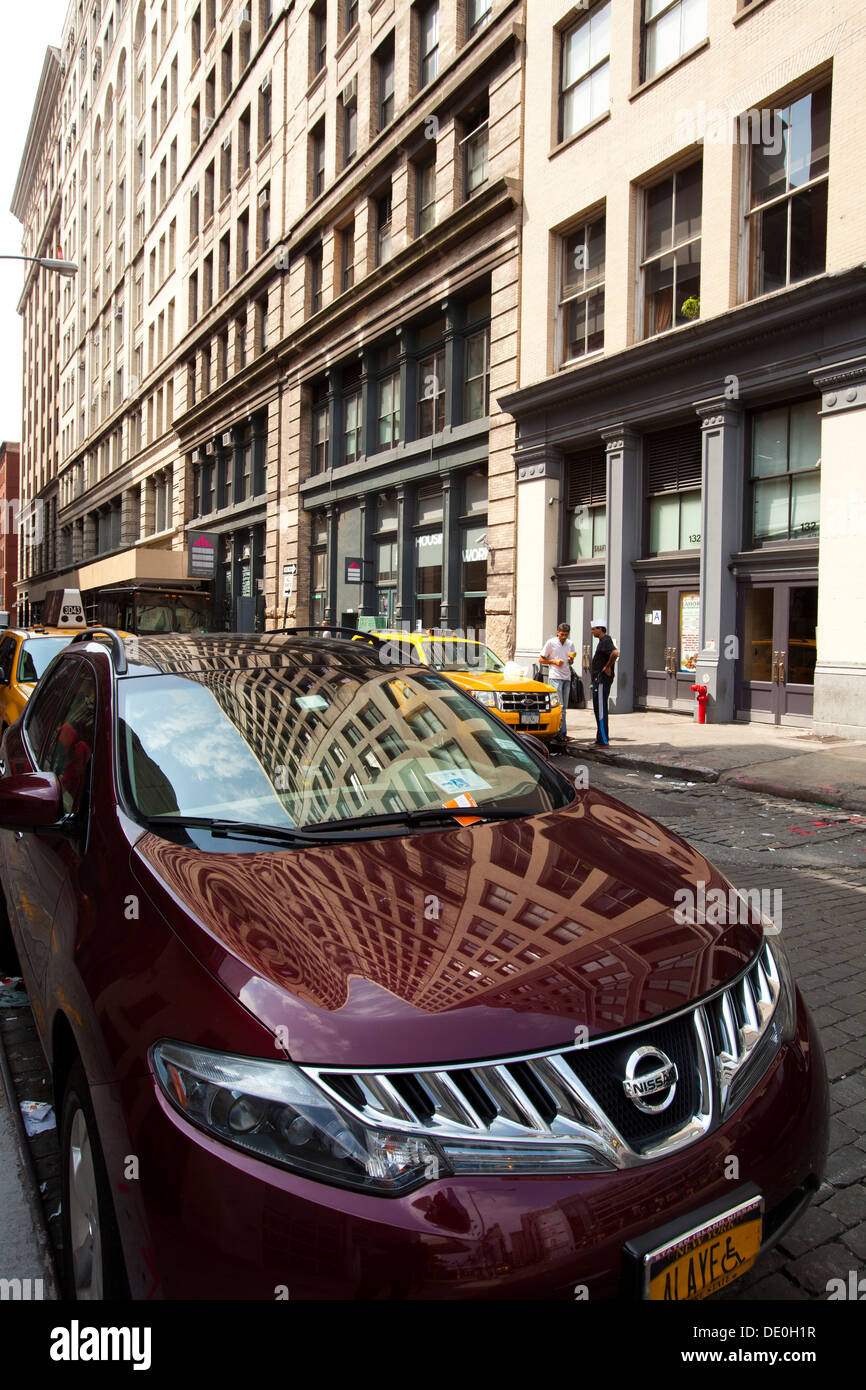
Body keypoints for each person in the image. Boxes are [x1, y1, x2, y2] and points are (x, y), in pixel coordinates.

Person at [539, 622, 576, 750]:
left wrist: (571, 659)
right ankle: (558, 733)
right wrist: (553, 661)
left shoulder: (570, 644)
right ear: (557, 632)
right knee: (558, 706)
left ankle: (563, 732)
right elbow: (541, 659)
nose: (563, 637)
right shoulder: (551, 643)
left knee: (564, 707)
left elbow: (571, 660)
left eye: (566, 635)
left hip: (567, 676)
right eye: (561, 635)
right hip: (555, 676)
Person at [590, 619, 619, 747]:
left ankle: (603, 740)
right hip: (598, 681)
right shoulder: (602, 641)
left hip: (602, 681)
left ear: (600, 629)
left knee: (601, 711)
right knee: (598, 710)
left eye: (594, 629)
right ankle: (600, 738)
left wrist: (607, 666)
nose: (592, 631)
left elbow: (615, 652)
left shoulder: (606, 640)